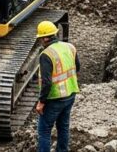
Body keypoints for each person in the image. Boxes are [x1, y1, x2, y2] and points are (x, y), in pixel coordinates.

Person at [36, 20, 80, 152]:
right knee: (63, 127)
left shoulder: (46, 54)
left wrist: (41, 102)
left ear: (45, 38)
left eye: (40, 39)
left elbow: (47, 82)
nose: (39, 41)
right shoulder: (70, 47)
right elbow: (77, 67)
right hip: (70, 94)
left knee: (44, 130)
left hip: (55, 98)